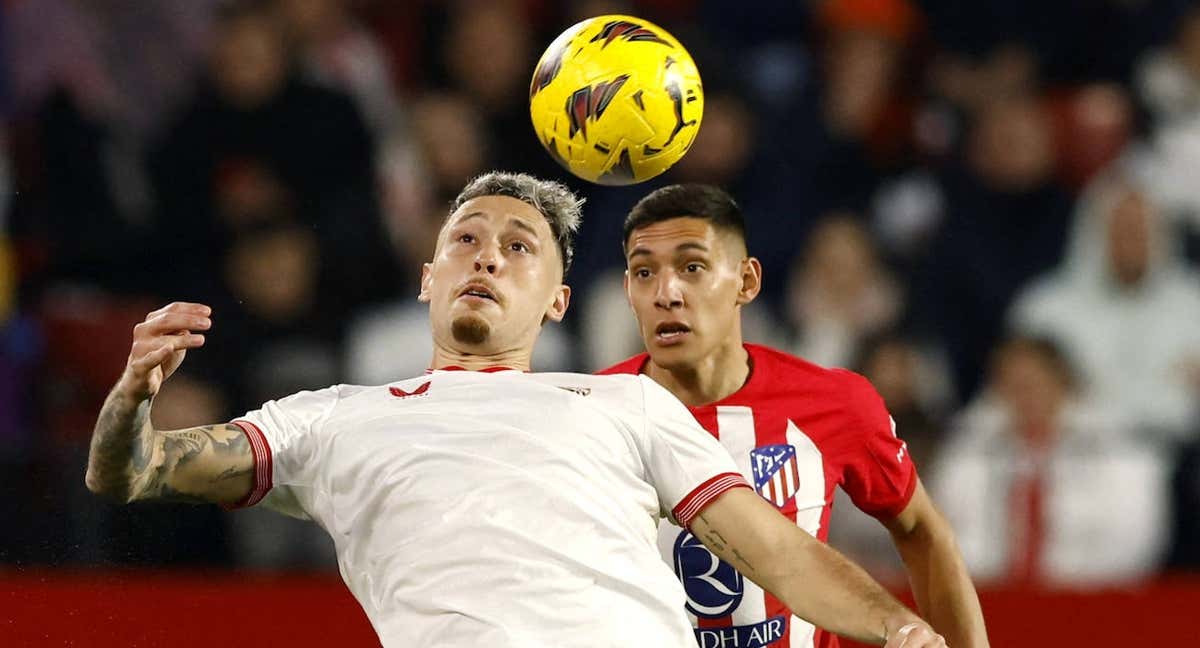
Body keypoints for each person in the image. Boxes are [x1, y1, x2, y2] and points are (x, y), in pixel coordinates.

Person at [85, 172, 944, 648]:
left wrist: (901, 629)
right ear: (428, 279)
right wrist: (130, 402)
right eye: (465, 239)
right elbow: (131, 472)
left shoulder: (625, 402)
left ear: (559, 300)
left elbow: (778, 553)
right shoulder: (330, 417)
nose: (487, 256)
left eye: (518, 246)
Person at [599, 184, 985, 647]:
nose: (666, 293)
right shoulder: (596, 414)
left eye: (692, 267)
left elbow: (922, 529)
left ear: (747, 282)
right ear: (627, 291)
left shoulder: (834, 401)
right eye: (644, 272)